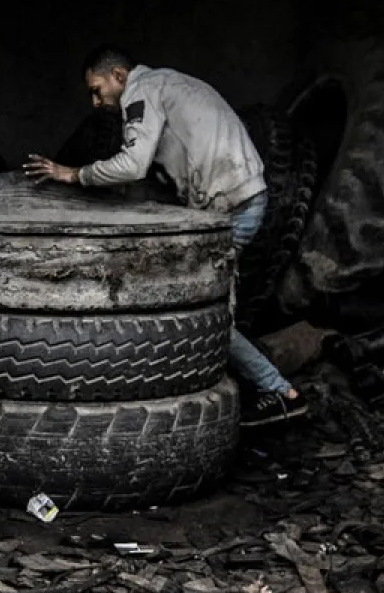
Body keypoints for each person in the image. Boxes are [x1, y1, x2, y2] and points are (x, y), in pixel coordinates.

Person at [23, 45, 309, 427]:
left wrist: (72, 175)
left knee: (204, 314)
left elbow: (133, 164)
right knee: (204, 308)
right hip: (240, 197)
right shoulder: (170, 83)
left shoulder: (141, 91)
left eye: (97, 89)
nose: (95, 102)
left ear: (119, 77)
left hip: (230, 208)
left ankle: (279, 391)